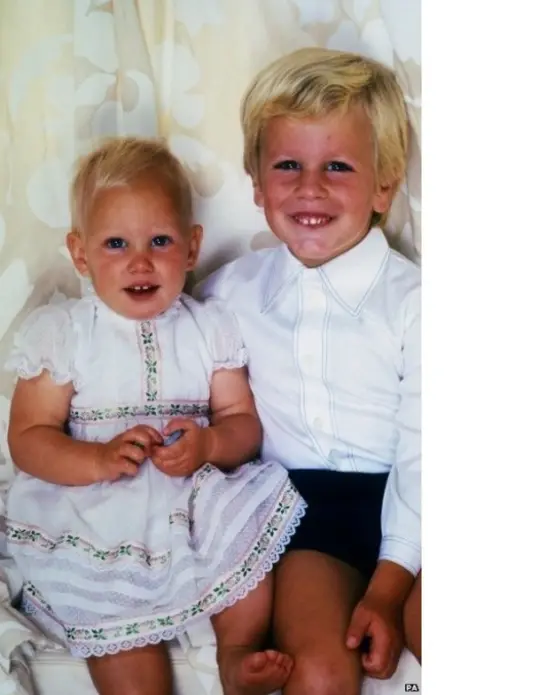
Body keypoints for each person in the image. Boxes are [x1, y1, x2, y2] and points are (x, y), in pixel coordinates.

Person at [4, 137, 306, 695]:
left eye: (160, 240)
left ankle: (235, 653)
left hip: (192, 496)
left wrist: (210, 445)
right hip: (98, 509)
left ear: (192, 248)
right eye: (115, 243)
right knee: (111, 615)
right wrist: (96, 458)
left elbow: (242, 422)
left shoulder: (209, 328)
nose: (140, 261)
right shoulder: (66, 334)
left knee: (246, 543)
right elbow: (27, 437)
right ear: (80, 254)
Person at [197, 47, 421, 695]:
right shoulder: (226, 295)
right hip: (305, 515)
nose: (310, 187)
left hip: (420, 496)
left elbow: (426, 449)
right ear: (257, 183)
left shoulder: (416, 303)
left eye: (338, 166)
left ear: (385, 184)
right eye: (287, 165)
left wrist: (390, 583)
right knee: (320, 669)